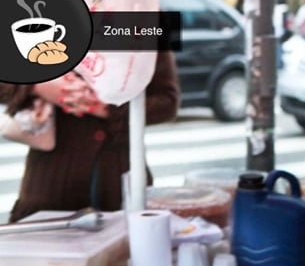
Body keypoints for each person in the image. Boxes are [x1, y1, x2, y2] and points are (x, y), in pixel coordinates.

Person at [0, 51, 180, 222]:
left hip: (121, 177)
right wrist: (38, 86)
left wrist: (103, 107)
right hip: (50, 179)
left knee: (123, 249)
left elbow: (167, 103)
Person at [273, 0, 294, 69]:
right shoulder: (285, 9)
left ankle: (279, 65)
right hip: (283, 33)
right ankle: (280, 65)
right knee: (280, 51)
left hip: (276, 33)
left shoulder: (276, 9)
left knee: (278, 51)